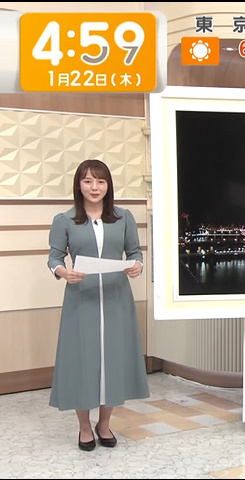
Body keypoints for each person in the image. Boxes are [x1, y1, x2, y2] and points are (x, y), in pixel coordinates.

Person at [47, 159, 149, 451]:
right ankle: (84, 427)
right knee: (83, 361)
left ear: (108, 185)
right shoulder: (65, 220)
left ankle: (104, 425)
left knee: (112, 361)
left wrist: (137, 265)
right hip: (81, 299)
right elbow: (54, 258)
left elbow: (135, 252)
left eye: (101, 181)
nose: (95, 187)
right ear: (78, 185)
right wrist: (63, 272)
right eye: (88, 181)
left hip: (117, 298)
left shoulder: (123, 217)